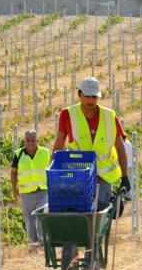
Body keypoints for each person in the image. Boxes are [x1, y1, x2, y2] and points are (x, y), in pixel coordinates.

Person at [52, 77, 131, 210]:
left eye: (94, 97)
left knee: (99, 214)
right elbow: (59, 145)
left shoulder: (110, 117)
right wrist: (52, 174)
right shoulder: (68, 114)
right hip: (78, 176)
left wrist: (125, 176)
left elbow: (120, 147)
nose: (90, 100)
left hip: (103, 176)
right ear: (79, 94)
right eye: (87, 96)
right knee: (79, 213)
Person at [10, 130, 50, 247]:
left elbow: (53, 169)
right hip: (26, 192)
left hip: (44, 190)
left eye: (33, 140)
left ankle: (43, 243)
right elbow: (13, 172)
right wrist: (14, 188)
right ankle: (33, 244)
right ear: (25, 141)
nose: (31, 143)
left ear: (37, 141)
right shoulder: (19, 154)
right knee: (30, 218)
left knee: (42, 215)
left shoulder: (46, 153)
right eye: (28, 140)